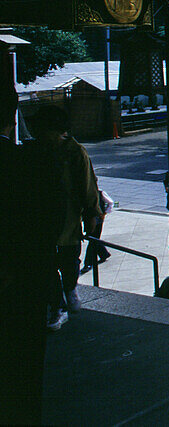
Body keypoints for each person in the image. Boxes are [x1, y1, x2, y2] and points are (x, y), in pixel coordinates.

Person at [0, 89, 59, 424]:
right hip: (22, 283)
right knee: (22, 371)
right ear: (12, 118)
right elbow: (49, 223)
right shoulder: (31, 164)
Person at [25, 105, 102, 329]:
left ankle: (70, 288)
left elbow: (87, 186)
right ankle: (57, 306)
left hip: (68, 217)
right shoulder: (36, 151)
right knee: (46, 263)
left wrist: (91, 214)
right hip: (41, 217)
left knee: (69, 260)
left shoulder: (75, 152)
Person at [80, 188, 114, 274]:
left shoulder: (100, 193)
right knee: (94, 239)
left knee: (92, 240)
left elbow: (110, 203)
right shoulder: (84, 193)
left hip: (98, 219)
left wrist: (104, 213)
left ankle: (88, 263)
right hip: (89, 220)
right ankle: (104, 253)